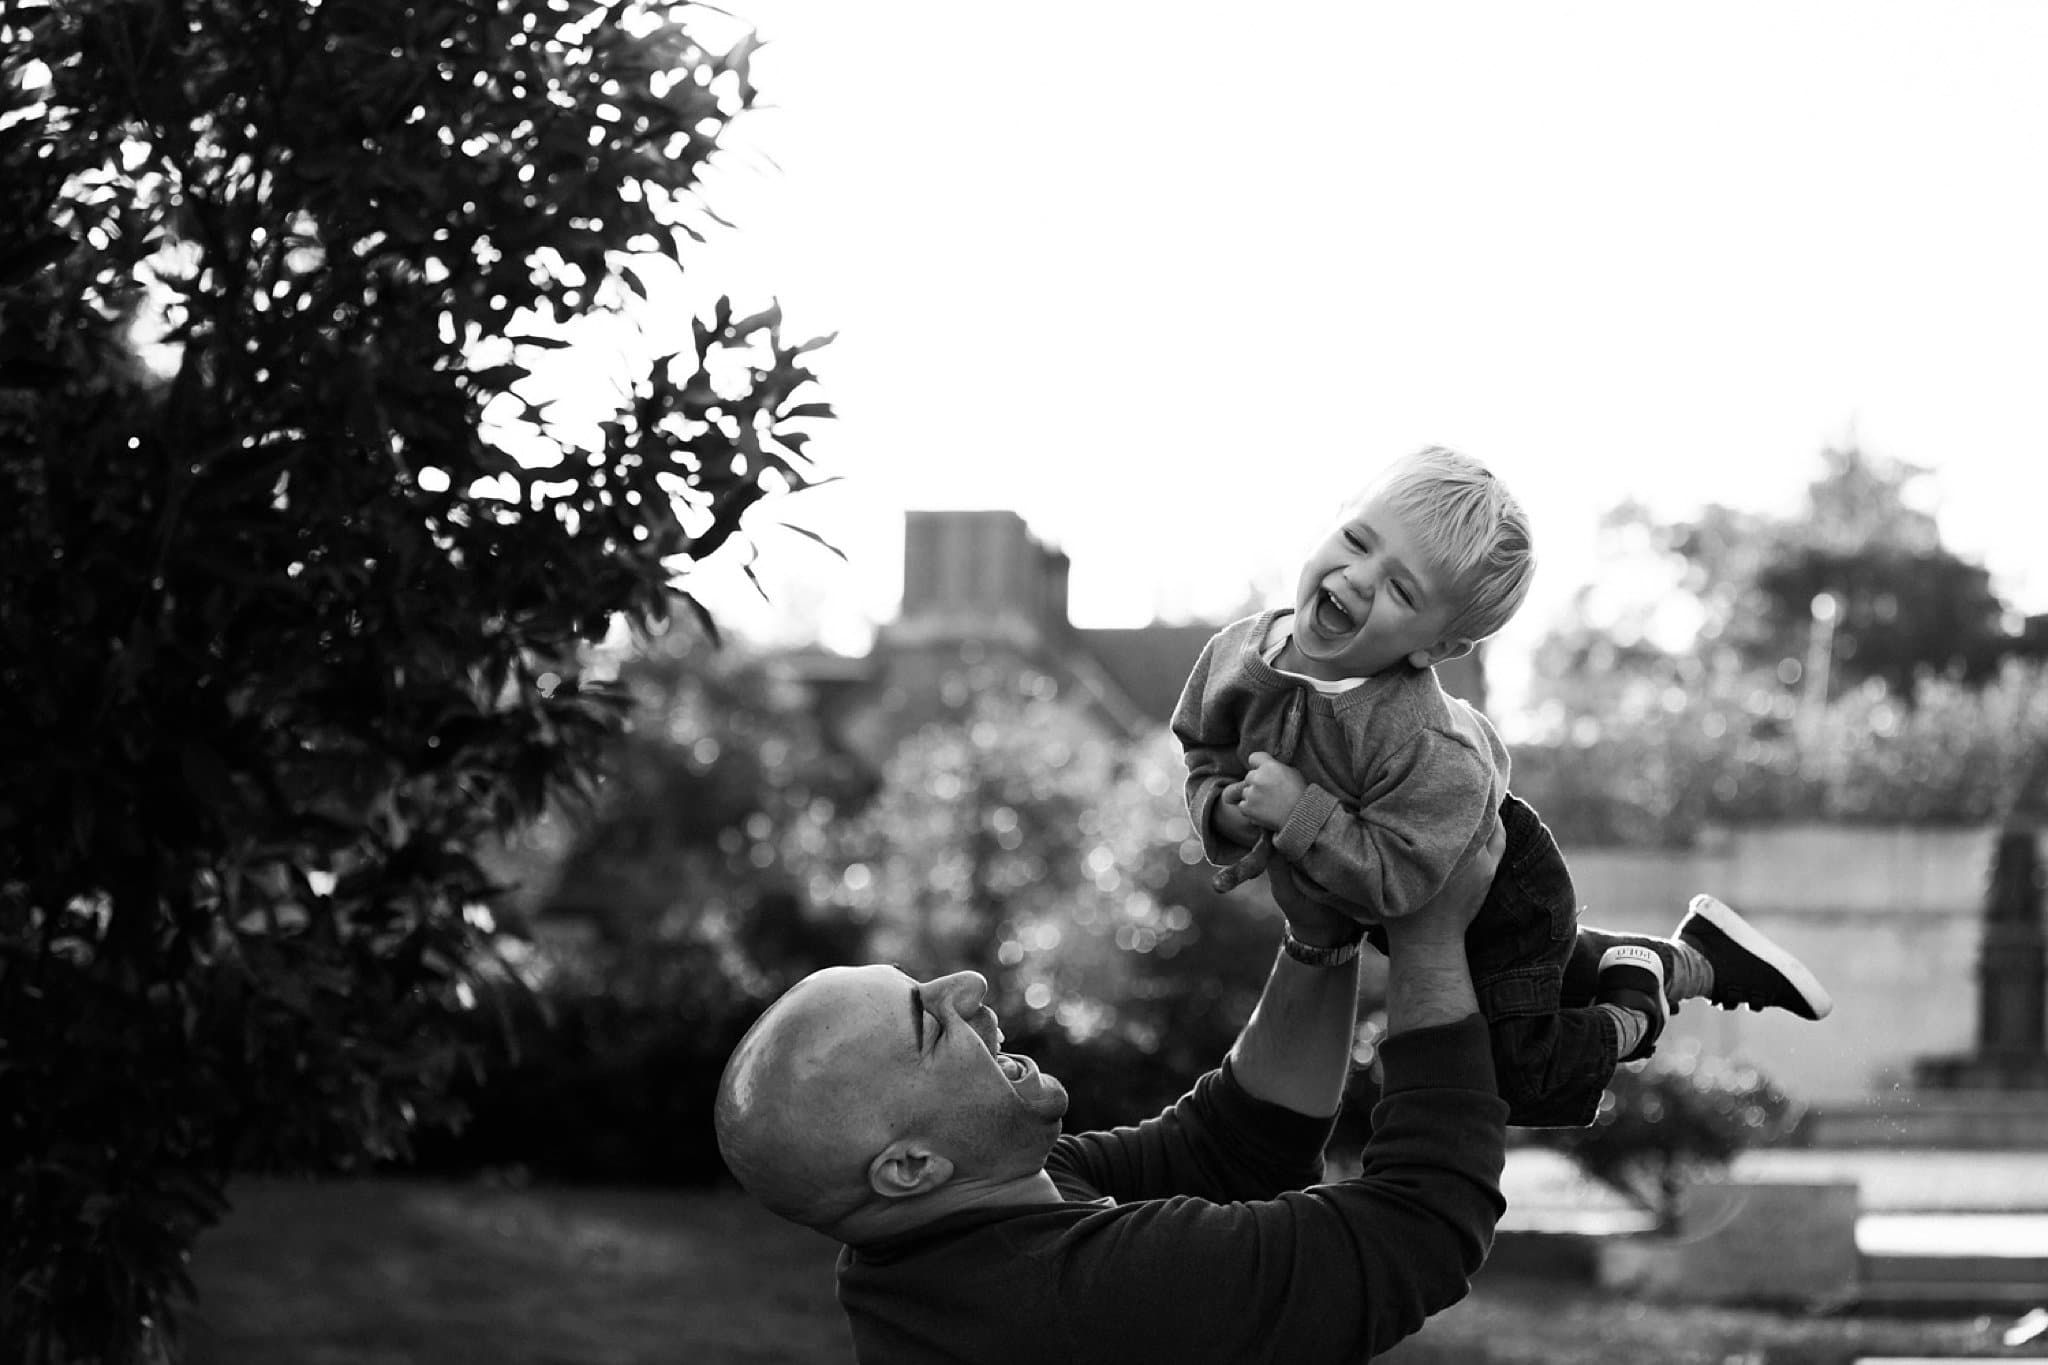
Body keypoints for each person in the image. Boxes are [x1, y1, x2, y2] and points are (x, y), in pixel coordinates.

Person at [1173, 445, 1832, 1126]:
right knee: (1554, 972)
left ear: (1437, 646)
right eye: (1357, 539)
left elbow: (1403, 889)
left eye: (1401, 589)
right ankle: (1695, 958)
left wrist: (1300, 813)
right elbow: (1204, 751)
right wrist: (1224, 812)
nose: (1360, 576)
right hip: (1412, 889)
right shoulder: (1235, 655)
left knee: (1515, 1071)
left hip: (1491, 877)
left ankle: (1637, 1003)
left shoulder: (1424, 743)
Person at [715, 826, 1509, 1365]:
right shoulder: (1071, 1300)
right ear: (910, 1164)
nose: (970, 985)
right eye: (929, 1024)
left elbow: (1235, 1144)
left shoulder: (967, 1222)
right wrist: (1433, 938)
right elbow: (1422, 1226)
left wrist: (1321, 937)